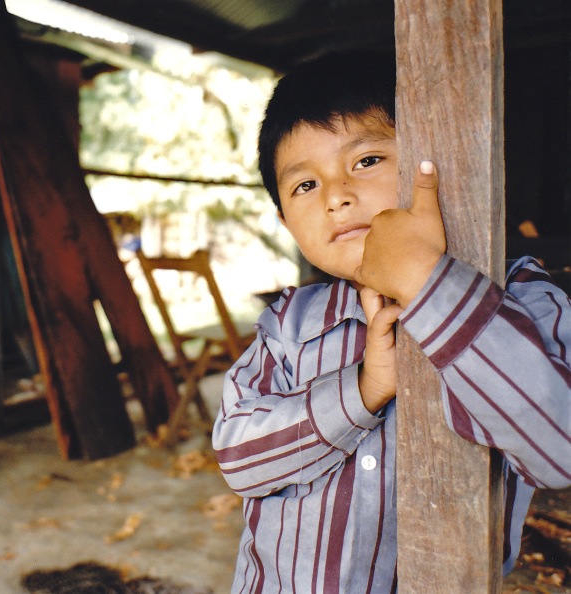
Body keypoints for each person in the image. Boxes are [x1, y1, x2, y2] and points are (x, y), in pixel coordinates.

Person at [212, 50, 571, 593]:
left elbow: (560, 448)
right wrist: (361, 392)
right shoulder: (287, 326)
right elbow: (239, 458)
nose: (337, 196)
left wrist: (426, 282)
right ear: (286, 222)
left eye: (367, 161)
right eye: (305, 185)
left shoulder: (519, 296)